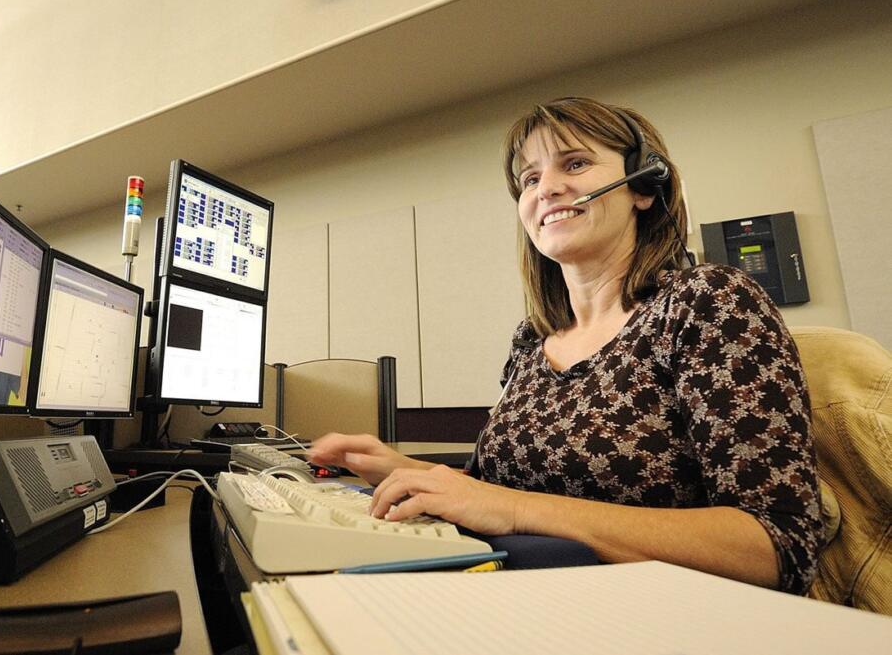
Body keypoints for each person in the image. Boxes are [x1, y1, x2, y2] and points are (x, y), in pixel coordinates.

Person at [309, 97, 822, 594]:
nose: (546, 189)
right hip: (519, 596)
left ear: (643, 188)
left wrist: (514, 511)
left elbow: (777, 547)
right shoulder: (531, 341)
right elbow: (500, 486)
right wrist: (405, 469)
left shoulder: (706, 302)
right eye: (530, 178)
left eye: (574, 164)